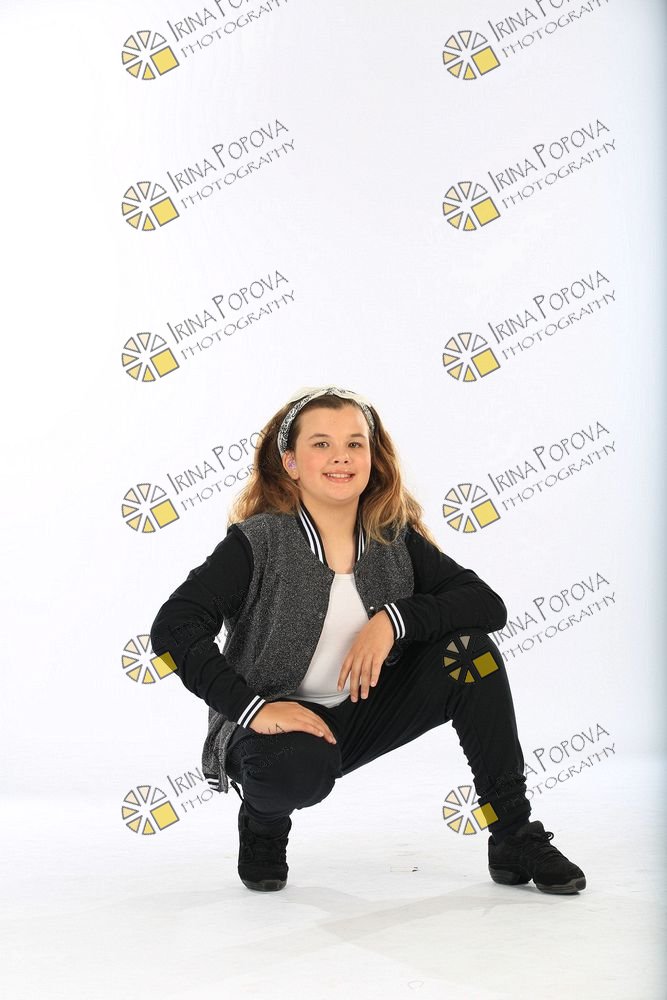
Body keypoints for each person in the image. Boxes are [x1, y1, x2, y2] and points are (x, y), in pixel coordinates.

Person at [150, 386, 586, 895]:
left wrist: (394, 620)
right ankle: (263, 823)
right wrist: (254, 710)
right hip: (275, 729)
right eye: (321, 444)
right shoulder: (259, 541)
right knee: (292, 770)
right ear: (291, 463)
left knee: (471, 654)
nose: (341, 456)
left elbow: (486, 606)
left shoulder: (391, 537)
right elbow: (174, 627)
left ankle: (512, 833)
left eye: (355, 444)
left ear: (372, 460)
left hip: (364, 710)